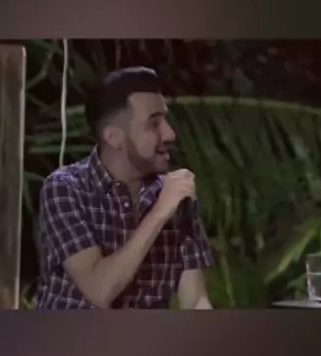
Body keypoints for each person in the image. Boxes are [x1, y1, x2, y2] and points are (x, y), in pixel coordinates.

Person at [36, 67, 214, 309]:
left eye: (166, 120)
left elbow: (195, 299)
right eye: (154, 124)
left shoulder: (174, 196)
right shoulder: (65, 188)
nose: (170, 134)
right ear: (114, 138)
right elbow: (99, 290)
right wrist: (159, 213)